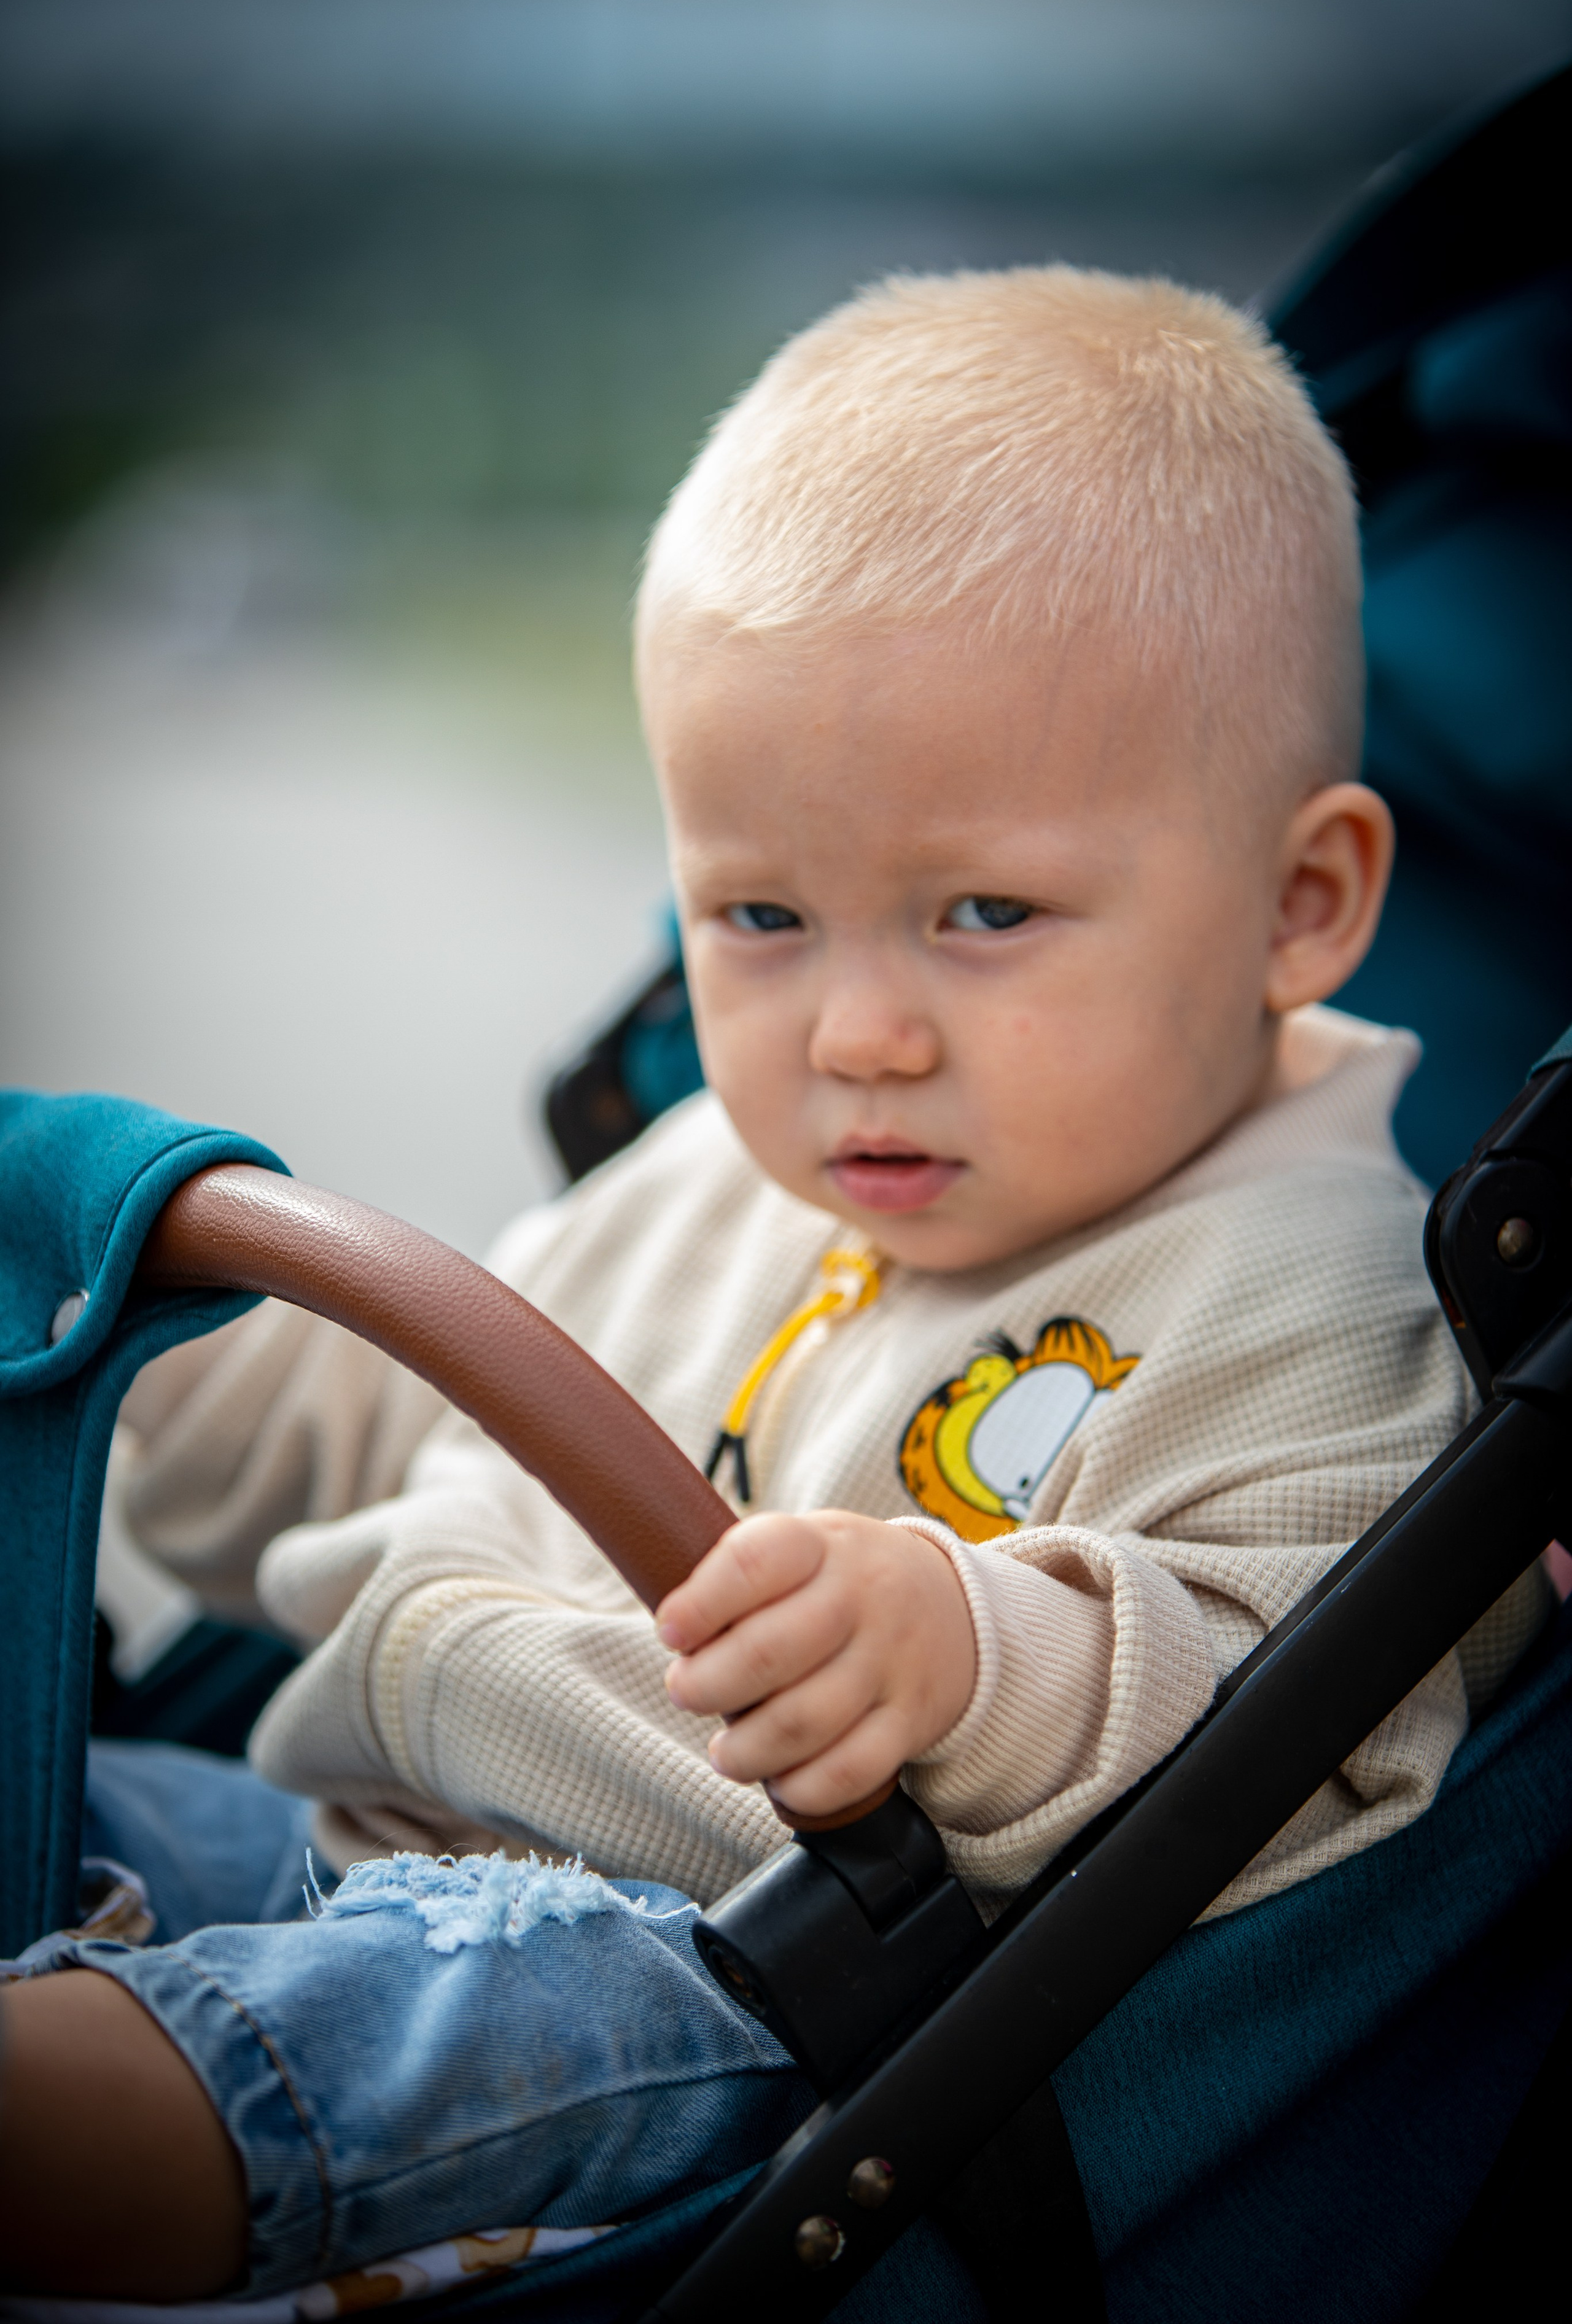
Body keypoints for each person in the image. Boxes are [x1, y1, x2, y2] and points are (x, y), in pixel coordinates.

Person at [0, 266, 1551, 2304]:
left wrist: (967, 1649)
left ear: (1302, 904)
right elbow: (391, 1421)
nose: (857, 1036)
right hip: (347, 1817)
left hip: (725, 1974)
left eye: (983, 912)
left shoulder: (1315, 1292)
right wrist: (155, 1355)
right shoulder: (729, 1164)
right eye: (760, 915)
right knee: (95, 1788)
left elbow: (1299, 1711)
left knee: (429, 2023)